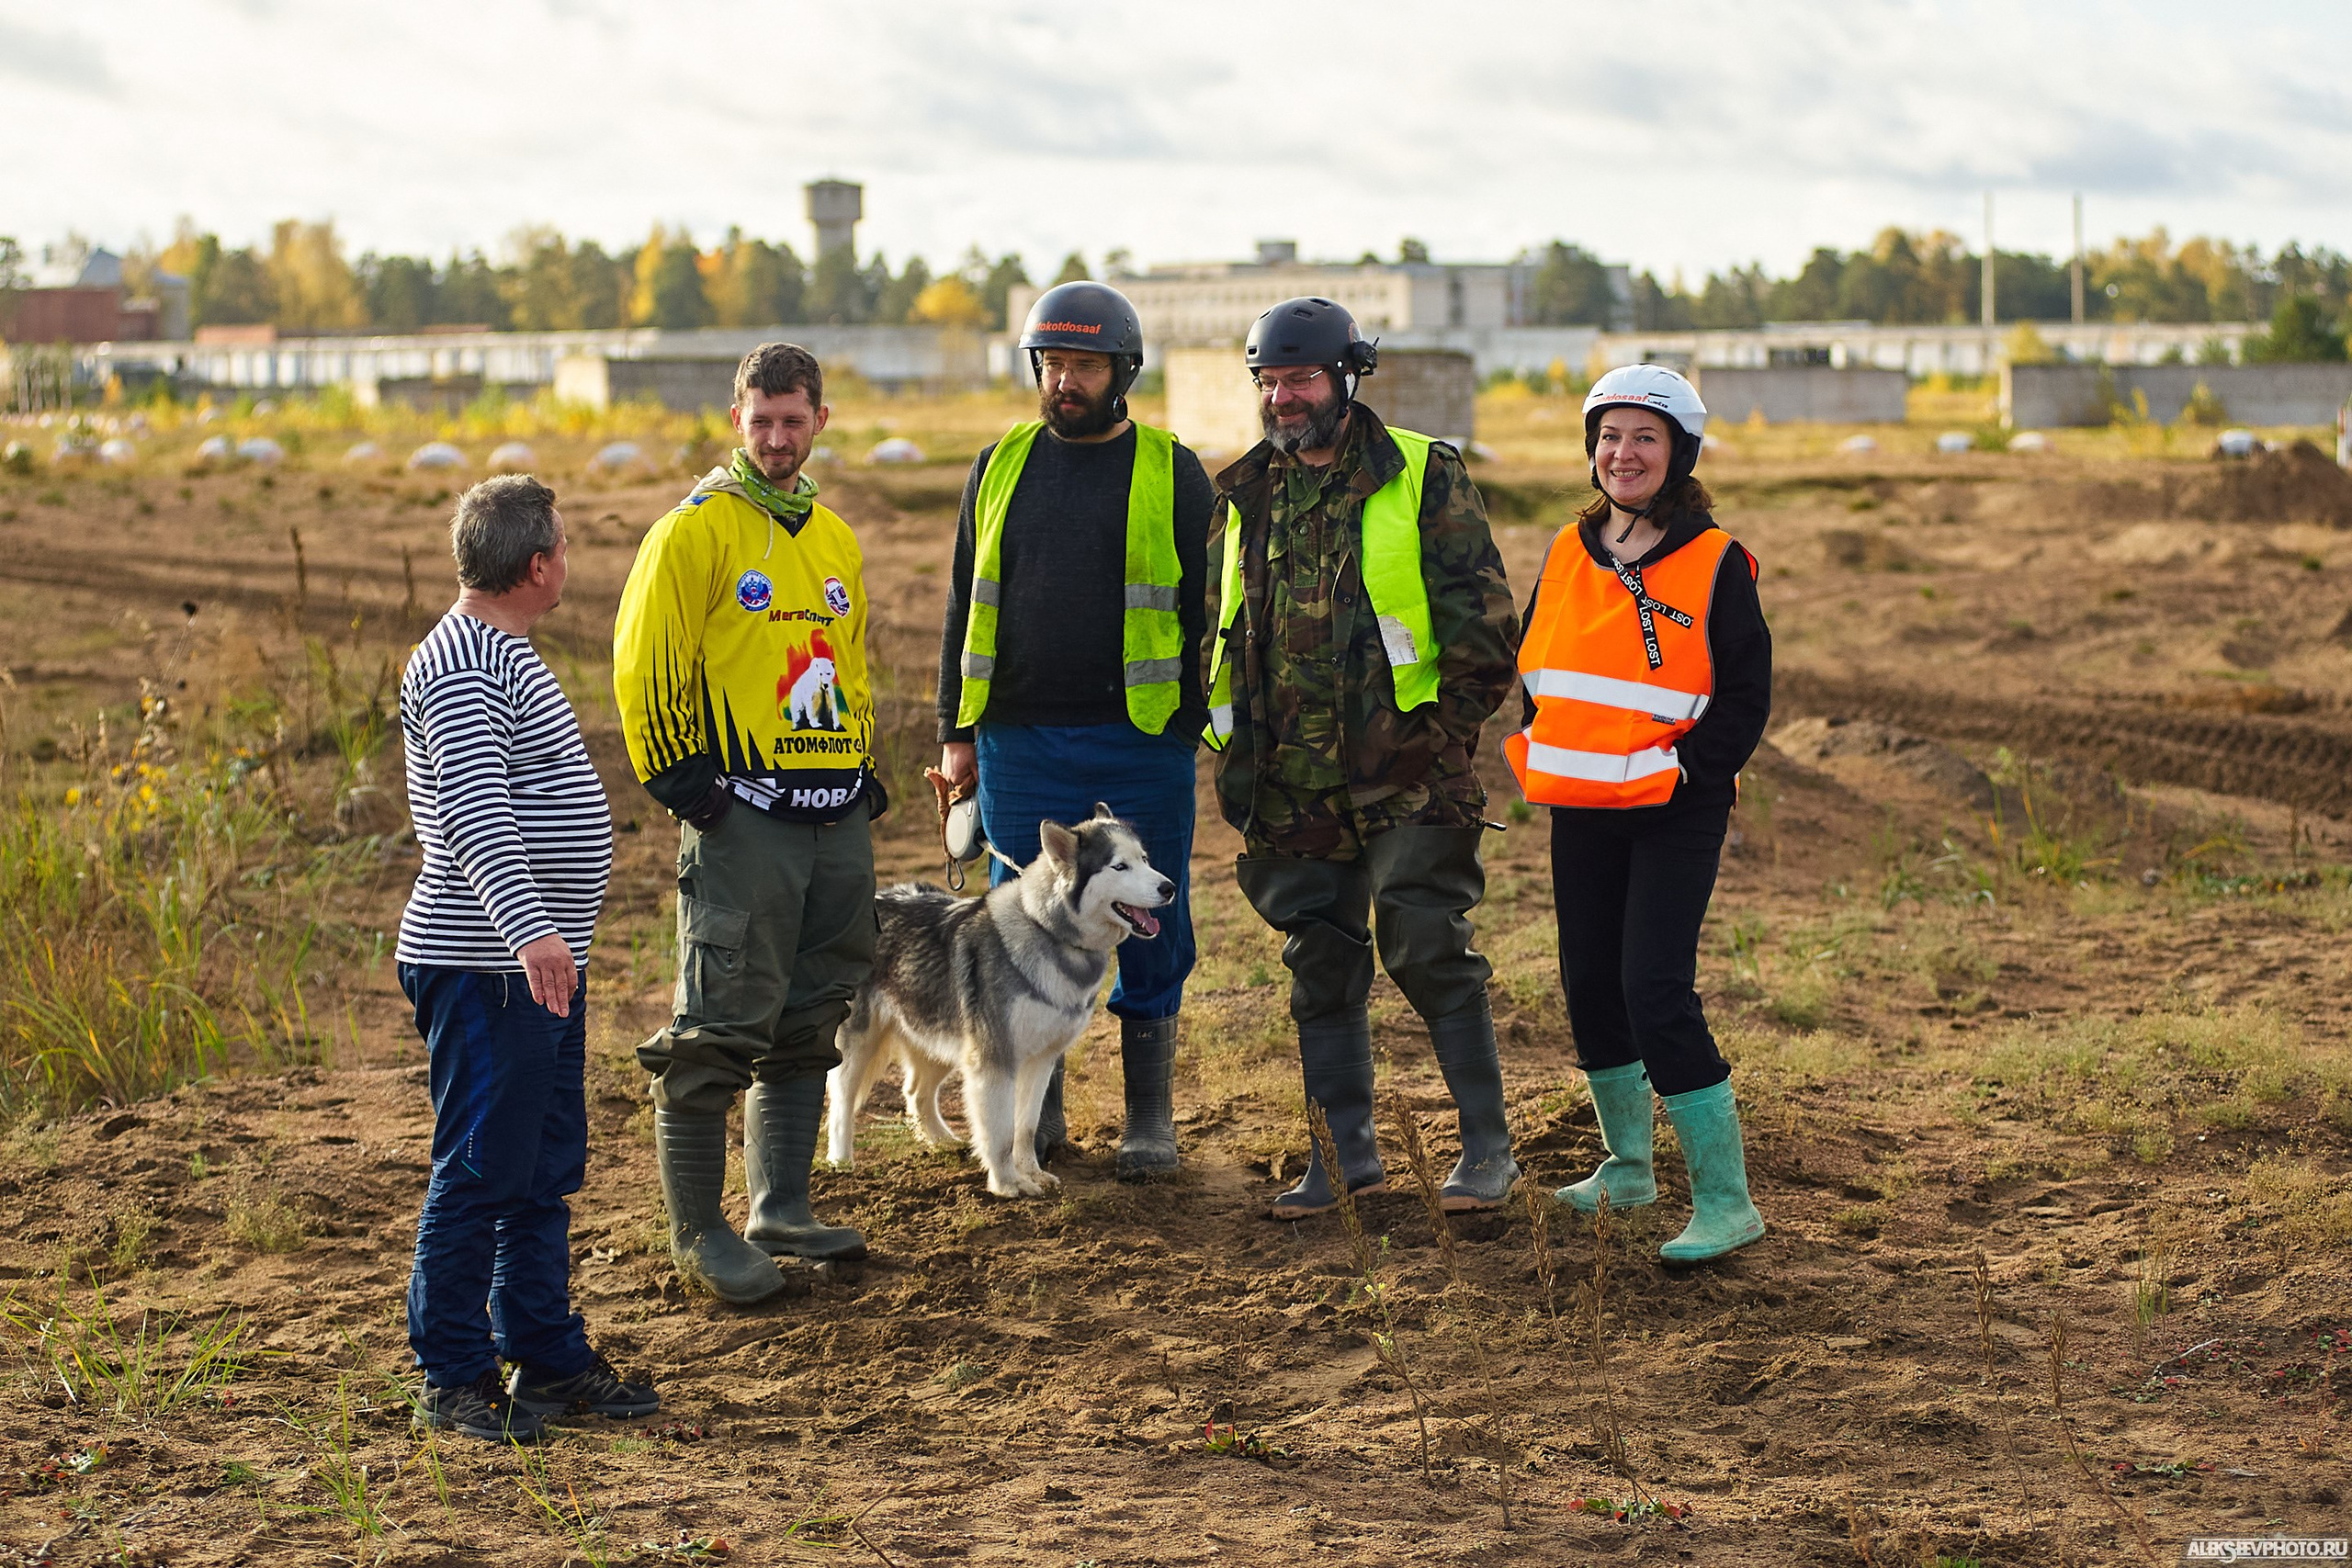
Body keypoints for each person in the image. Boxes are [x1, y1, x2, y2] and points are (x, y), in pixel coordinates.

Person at [1204, 296, 1522, 1219]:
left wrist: (1443, 737)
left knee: (1426, 943)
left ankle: (1487, 1153)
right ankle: (1342, 1160)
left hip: (1407, 771)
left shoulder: (1422, 472)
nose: (1282, 397)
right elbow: (1223, 627)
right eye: (1268, 381)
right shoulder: (1244, 492)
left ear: (1346, 376)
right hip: (1288, 777)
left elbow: (1482, 620)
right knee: (1320, 962)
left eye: (1299, 378)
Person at [614, 343, 879, 1304]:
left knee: (812, 1014)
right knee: (721, 1020)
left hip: (832, 813)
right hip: (744, 816)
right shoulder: (693, 532)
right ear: (736, 420)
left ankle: (782, 1205)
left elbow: (845, 668)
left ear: (820, 421)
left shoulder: (832, 537)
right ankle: (698, 1232)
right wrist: (687, 783)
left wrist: (864, 772)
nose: (775, 437)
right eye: (759, 420)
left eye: (792, 420)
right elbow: (648, 661)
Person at [935, 280, 1216, 1179]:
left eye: (1083, 365)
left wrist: (1184, 732)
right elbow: (959, 605)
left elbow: (1207, 611)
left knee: (1149, 927)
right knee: (1021, 930)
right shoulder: (999, 464)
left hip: (1138, 743)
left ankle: (1147, 1121)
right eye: (1051, 363)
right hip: (1017, 741)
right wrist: (957, 734)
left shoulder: (1172, 470)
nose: (1064, 380)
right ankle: (1031, 1122)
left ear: (1121, 371)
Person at [397, 475, 657, 1442]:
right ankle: (454, 1376)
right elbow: (472, 808)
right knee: (479, 1168)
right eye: (564, 548)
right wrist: (530, 930)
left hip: (528, 967)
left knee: (539, 1167)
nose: (568, 564)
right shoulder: (463, 662)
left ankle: (543, 1355)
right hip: (488, 965)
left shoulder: (502, 650)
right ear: (536, 563)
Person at [1505, 364, 1772, 1264]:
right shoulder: (1565, 548)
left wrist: (1684, 768)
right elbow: (1539, 665)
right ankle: (1627, 1168)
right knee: (1590, 985)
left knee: (1654, 989)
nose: (1624, 454)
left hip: (1674, 806)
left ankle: (1726, 1202)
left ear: (1678, 453)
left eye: (1644, 438)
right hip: (1581, 800)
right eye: (1610, 436)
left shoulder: (1715, 560)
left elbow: (1744, 695)